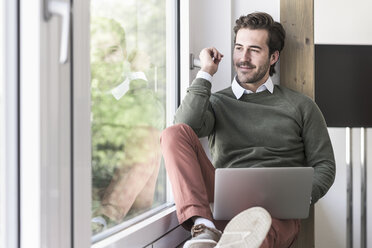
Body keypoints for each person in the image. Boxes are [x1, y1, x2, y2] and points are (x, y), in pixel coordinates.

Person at [160, 12, 335, 248]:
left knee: (257, 234)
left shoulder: (301, 106)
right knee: (172, 133)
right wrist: (205, 73)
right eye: (239, 47)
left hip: (277, 213)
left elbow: (325, 164)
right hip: (225, 203)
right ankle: (204, 228)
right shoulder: (217, 103)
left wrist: (301, 197)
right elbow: (185, 126)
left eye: (254, 50)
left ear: (273, 57)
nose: (243, 57)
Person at [90, 17, 165, 233]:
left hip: (129, 205)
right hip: (83, 199)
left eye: (113, 51)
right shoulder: (82, 95)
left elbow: (154, 119)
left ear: (124, 53)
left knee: (149, 135)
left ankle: (104, 217)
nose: (106, 60)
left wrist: (138, 75)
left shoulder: (139, 93)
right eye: (98, 53)